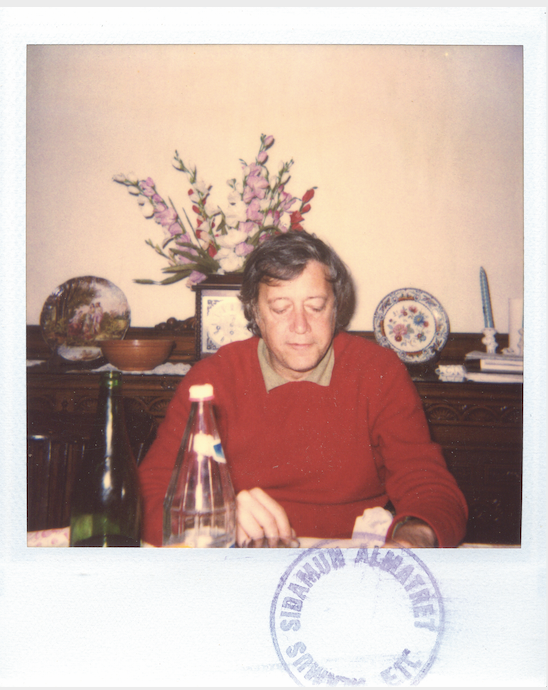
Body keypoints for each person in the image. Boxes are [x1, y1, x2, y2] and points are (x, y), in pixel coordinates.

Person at [138, 231, 468, 548]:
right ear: (255, 312)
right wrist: (214, 520)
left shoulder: (379, 372)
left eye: (315, 306)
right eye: (280, 308)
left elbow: (429, 486)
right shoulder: (212, 379)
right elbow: (150, 493)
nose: (300, 326)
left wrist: (412, 539)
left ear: (336, 308)